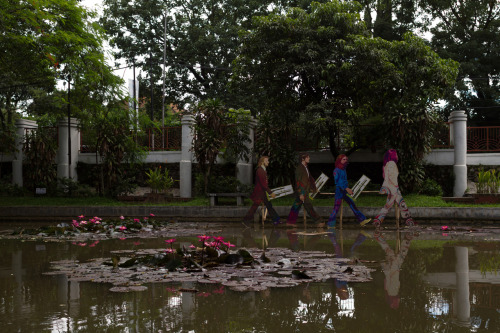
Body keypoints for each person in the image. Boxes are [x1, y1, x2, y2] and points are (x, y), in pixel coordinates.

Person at [372, 149, 414, 227]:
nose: (397, 156)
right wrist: (395, 187)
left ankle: (378, 220)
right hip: (393, 187)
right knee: (399, 203)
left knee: (392, 203)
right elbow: (392, 177)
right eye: (396, 154)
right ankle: (408, 221)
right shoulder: (392, 163)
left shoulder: (387, 164)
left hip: (390, 187)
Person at [327, 154, 371, 228]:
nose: (345, 161)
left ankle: (362, 220)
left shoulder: (343, 169)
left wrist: (347, 189)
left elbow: (344, 181)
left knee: (352, 204)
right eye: (343, 159)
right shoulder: (336, 170)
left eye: (346, 159)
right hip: (339, 191)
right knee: (336, 208)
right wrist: (347, 189)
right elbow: (338, 182)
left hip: (344, 191)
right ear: (339, 160)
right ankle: (330, 224)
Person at [286, 153, 323, 227]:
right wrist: (301, 193)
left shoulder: (305, 167)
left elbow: (309, 179)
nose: (309, 158)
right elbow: (299, 182)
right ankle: (318, 221)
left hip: (304, 191)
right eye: (307, 157)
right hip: (302, 192)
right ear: (303, 159)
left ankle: (290, 222)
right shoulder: (300, 168)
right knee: (308, 206)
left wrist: (314, 188)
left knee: (296, 206)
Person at [243, 156, 282, 225]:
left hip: (262, 193)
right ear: (262, 162)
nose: (268, 162)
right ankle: (245, 221)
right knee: (254, 207)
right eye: (267, 161)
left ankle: (276, 220)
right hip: (260, 193)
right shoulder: (260, 171)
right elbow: (264, 185)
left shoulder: (262, 170)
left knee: (269, 206)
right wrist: (270, 193)